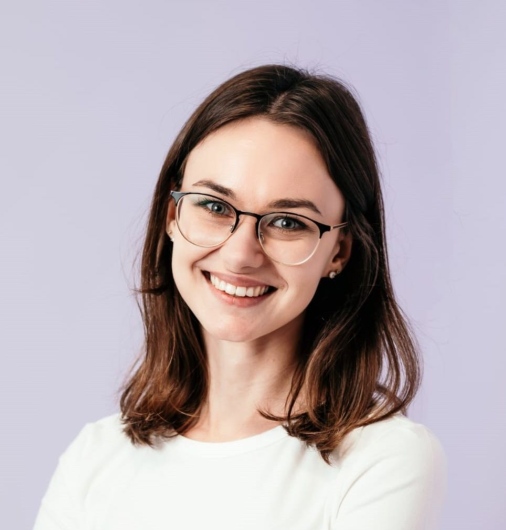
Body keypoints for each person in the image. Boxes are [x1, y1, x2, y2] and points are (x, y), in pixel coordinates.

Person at [34, 64, 446, 530]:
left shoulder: (382, 460)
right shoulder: (95, 457)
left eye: (288, 222)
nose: (240, 254)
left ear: (339, 251)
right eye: (214, 206)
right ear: (172, 216)